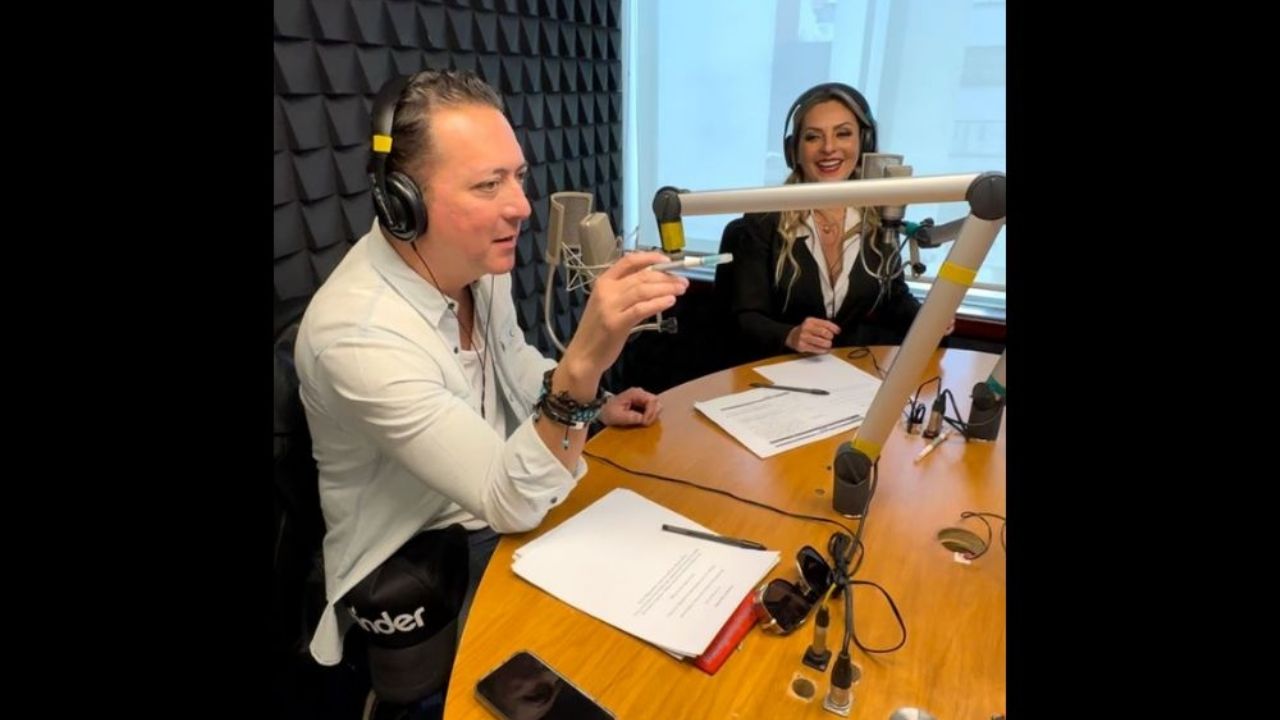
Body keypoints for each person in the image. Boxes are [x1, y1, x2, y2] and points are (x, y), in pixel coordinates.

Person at [293, 69, 688, 712]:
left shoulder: (479, 266)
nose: (522, 206)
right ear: (401, 200)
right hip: (421, 558)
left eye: (518, 176)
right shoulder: (356, 335)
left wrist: (592, 405)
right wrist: (582, 367)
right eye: (488, 184)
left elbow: (515, 364)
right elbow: (510, 502)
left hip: (497, 510)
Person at [719, 82, 951, 362]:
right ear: (794, 151)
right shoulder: (762, 221)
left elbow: (893, 297)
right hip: (775, 371)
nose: (829, 148)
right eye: (813, 137)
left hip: (850, 371)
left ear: (864, 143)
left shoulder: (879, 218)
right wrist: (789, 335)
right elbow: (742, 319)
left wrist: (928, 318)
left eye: (843, 134)